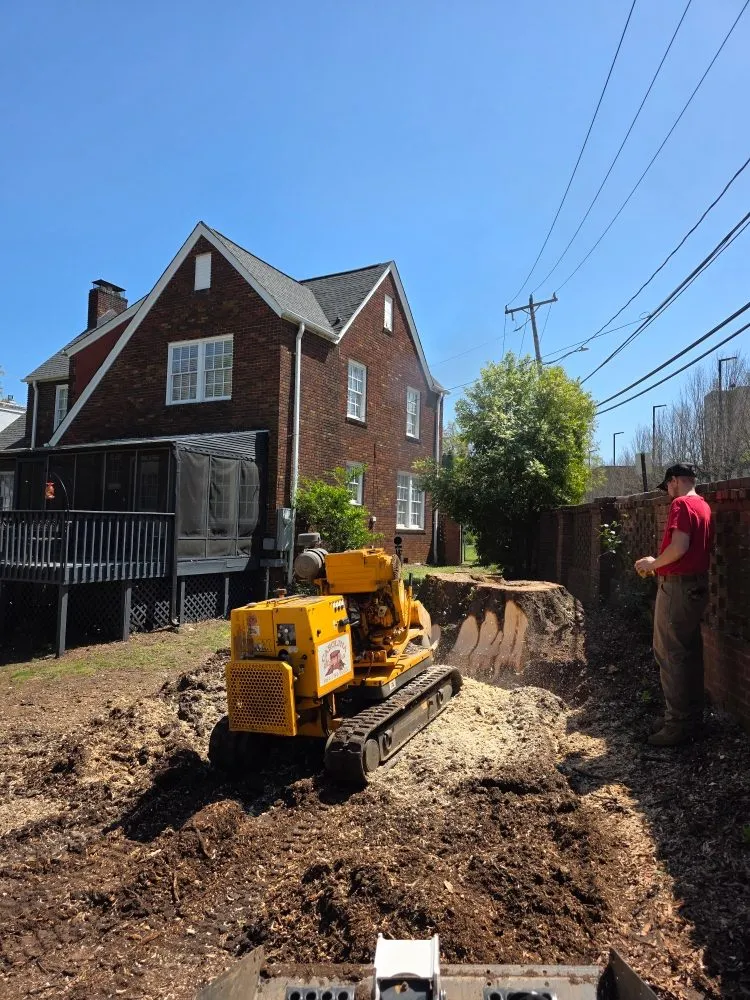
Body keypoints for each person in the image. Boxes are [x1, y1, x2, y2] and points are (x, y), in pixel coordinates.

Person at [634, 463, 712, 747]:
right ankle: (691, 718)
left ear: (676, 481)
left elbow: (679, 547)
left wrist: (653, 564)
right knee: (689, 652)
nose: (668, 493)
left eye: (667, 486)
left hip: (677, 588)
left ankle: (677, 725)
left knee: (670, 654)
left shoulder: (681, 504)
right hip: (697, 586)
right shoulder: (703, 505)